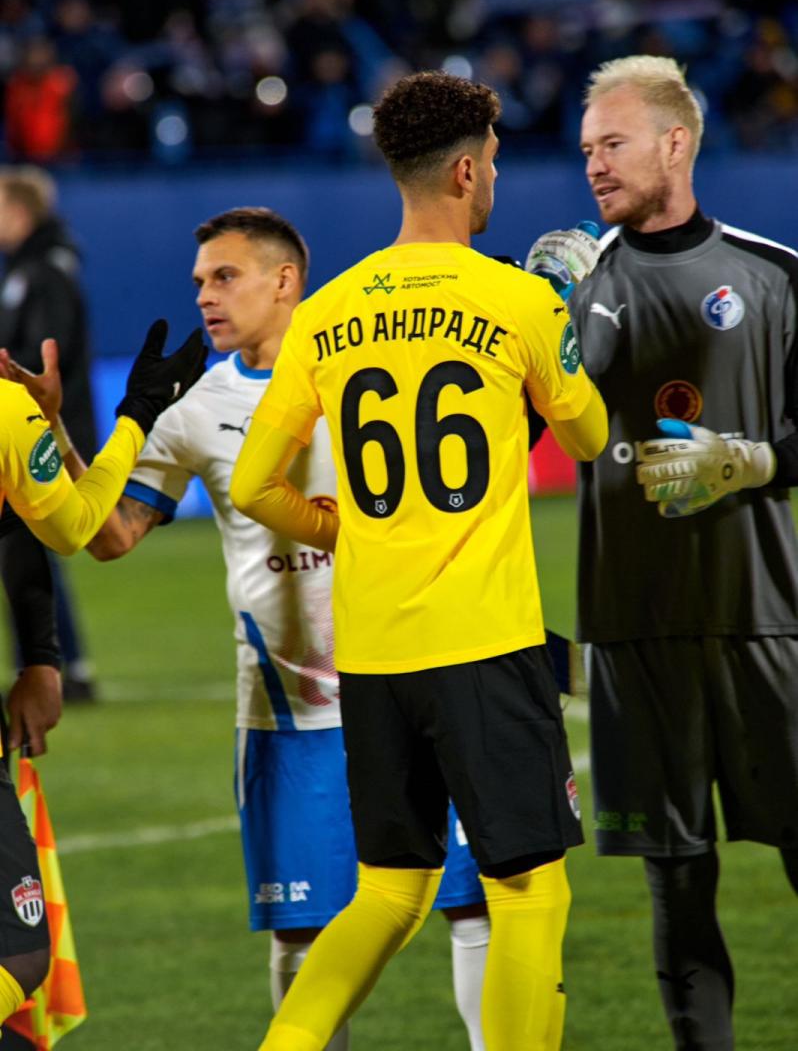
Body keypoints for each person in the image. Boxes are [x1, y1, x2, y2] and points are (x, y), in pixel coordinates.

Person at [230, 70, 608, 1051]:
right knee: (528, 889)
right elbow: (593, 433)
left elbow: (253, 488)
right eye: (495, 166)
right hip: (487, 644)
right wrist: (562, 305)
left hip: (377, 653)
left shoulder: (327, 311)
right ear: (469, 170)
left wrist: (352, 532)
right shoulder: (516, 297)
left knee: (390, 890)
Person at [64, 205, 493, 1051]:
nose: (205, 299)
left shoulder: (368, 365)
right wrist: (71, 437)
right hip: (289, 714)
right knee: (302, 932)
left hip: (416, 677)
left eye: (225, 277)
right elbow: (106, 535)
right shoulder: (193, 407)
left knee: (472, 903)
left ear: (285, 280)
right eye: (198, 283)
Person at [539, 54, 798, 1051]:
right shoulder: (574, 283)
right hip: (633, 630)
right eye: (586, 150)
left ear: (676, 142)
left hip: (765, 619)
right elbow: (504, 442)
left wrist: (753, 460)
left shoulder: (773, 276)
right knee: (678, 885)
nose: (595, 164)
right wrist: (535, 314)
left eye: (613, 143)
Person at [0, 319, 207, 1030]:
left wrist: (40, 656)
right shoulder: (4, 412)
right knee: (20, 954)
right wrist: (137, 414)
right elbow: (84, 524)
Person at [0, 166, 100, 699]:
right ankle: (51, 666)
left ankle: (57, 668)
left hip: (37, 429)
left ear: (18, 211)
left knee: (30, 544)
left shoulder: (43, 270)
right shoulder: (30, 268)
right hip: (24, 427)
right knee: (23, 546)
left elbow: (46, 357)